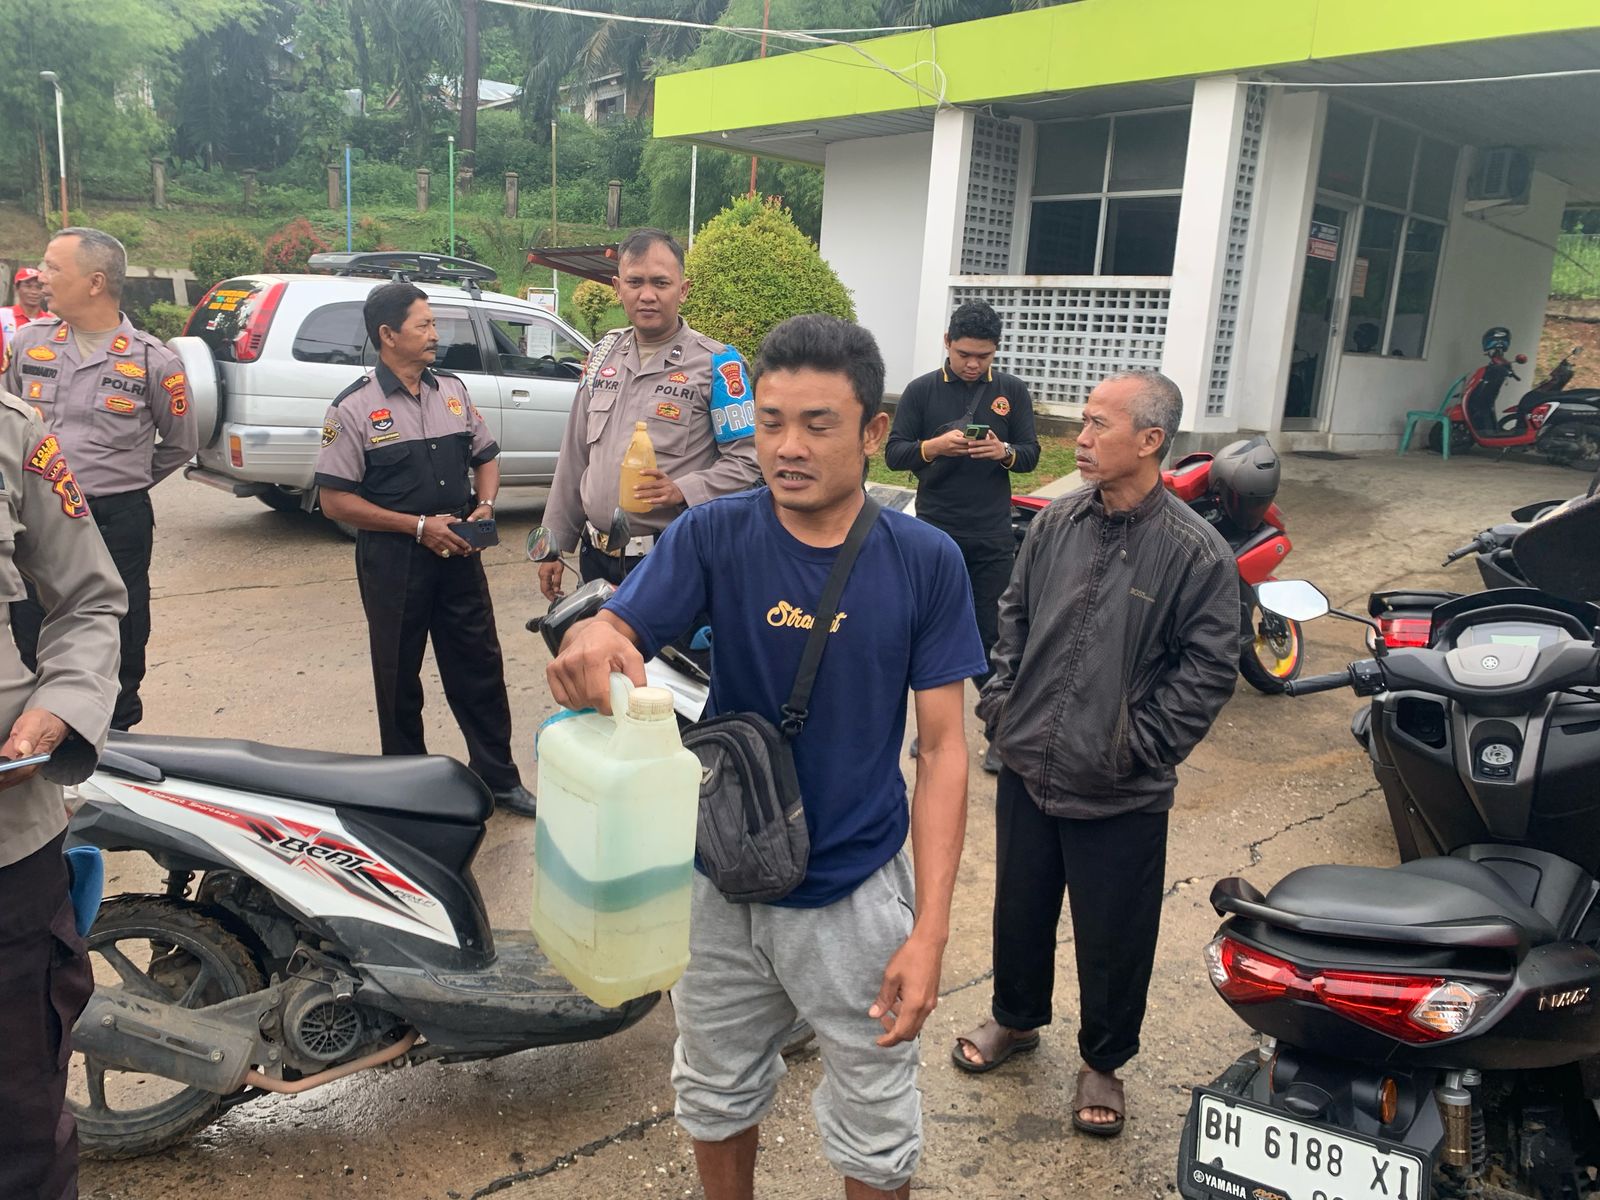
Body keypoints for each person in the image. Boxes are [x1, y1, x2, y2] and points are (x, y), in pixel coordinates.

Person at [547, 314, 986, 1199]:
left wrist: (930, 932)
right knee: (712, 1092)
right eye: (773, 422)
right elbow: (622, 623)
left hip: (853, 893)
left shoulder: (925, 560)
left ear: (872, 432)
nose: (788, 448)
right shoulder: (714, 534)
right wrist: (595, 636)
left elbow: (942, 752)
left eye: (818, 425)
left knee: (877, 1122)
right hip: (719, 879)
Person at [955, 371, 1239, 1139]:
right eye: (1081, 423)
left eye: (1097, 426)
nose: (1079, 440)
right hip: (1028, 762)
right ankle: (1015, 1018)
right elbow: (1013, 616)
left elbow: (1209, 670)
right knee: (1019, 906)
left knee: (1115, 933)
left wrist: (1138, 748)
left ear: (1149, 440)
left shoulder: (1195, 553)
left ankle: (1104, 1062)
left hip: (1121, 786)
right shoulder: (1056, 523)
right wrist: (1003, 704)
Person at [314, 282, 536, 817]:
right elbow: (335, 500)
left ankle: (499, 779)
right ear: (388, 335)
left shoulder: (453, 391)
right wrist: (416, 527)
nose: (436, 334)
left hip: (459, 552)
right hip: (394, 562)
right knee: (398, 677)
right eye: (425, 325)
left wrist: (486, 504)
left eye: (434, 323)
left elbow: (485, 456)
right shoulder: (354, 408)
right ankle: (406, 792)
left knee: (479, 667)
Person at [0, 391, 127, 1200]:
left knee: (21, 1135)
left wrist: (61, 708)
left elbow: (89, 598)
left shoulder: (11, 431)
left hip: (7, 853)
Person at [2, 227, 198, 731]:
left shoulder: (154, 360)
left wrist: (125, 480)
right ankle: (34, 732)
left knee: (120, 629)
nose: (41, 278)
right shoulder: (28, 344)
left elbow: (181, 443)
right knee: (29, 623)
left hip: (115, 519)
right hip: (36, 519)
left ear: (94, 282)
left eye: (53, 267)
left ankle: (114, 738)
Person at [537, 227, 762, 601]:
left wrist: (682, 490)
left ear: (683, 290)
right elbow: (575, 456)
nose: (647, 295)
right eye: (635, 282)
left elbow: (748, 461)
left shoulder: (718, 365)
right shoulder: (602, 356)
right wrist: (554, 543)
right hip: (596, 561)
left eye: (660, 283)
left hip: (672, 559)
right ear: (617, 287)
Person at [884, 300, 1039, 773]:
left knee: (996, 636)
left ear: (996, 351)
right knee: (930, 633)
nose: (973, 364)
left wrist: (1003, 452)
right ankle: (935, 729)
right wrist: (934, 447)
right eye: (965, 354)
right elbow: (894, 454)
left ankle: (1001, 732)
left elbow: (1030, 453)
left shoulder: (1011, 391)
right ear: (947, 343)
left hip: (991, 532)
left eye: (983, 356)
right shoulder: (921, 391)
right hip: (934, 532)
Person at [0, 266, 51, 365]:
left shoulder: (52, 322)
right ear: (16, 288)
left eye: (38, 287)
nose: (34, 292)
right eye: (28, 286)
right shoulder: (3, 316)